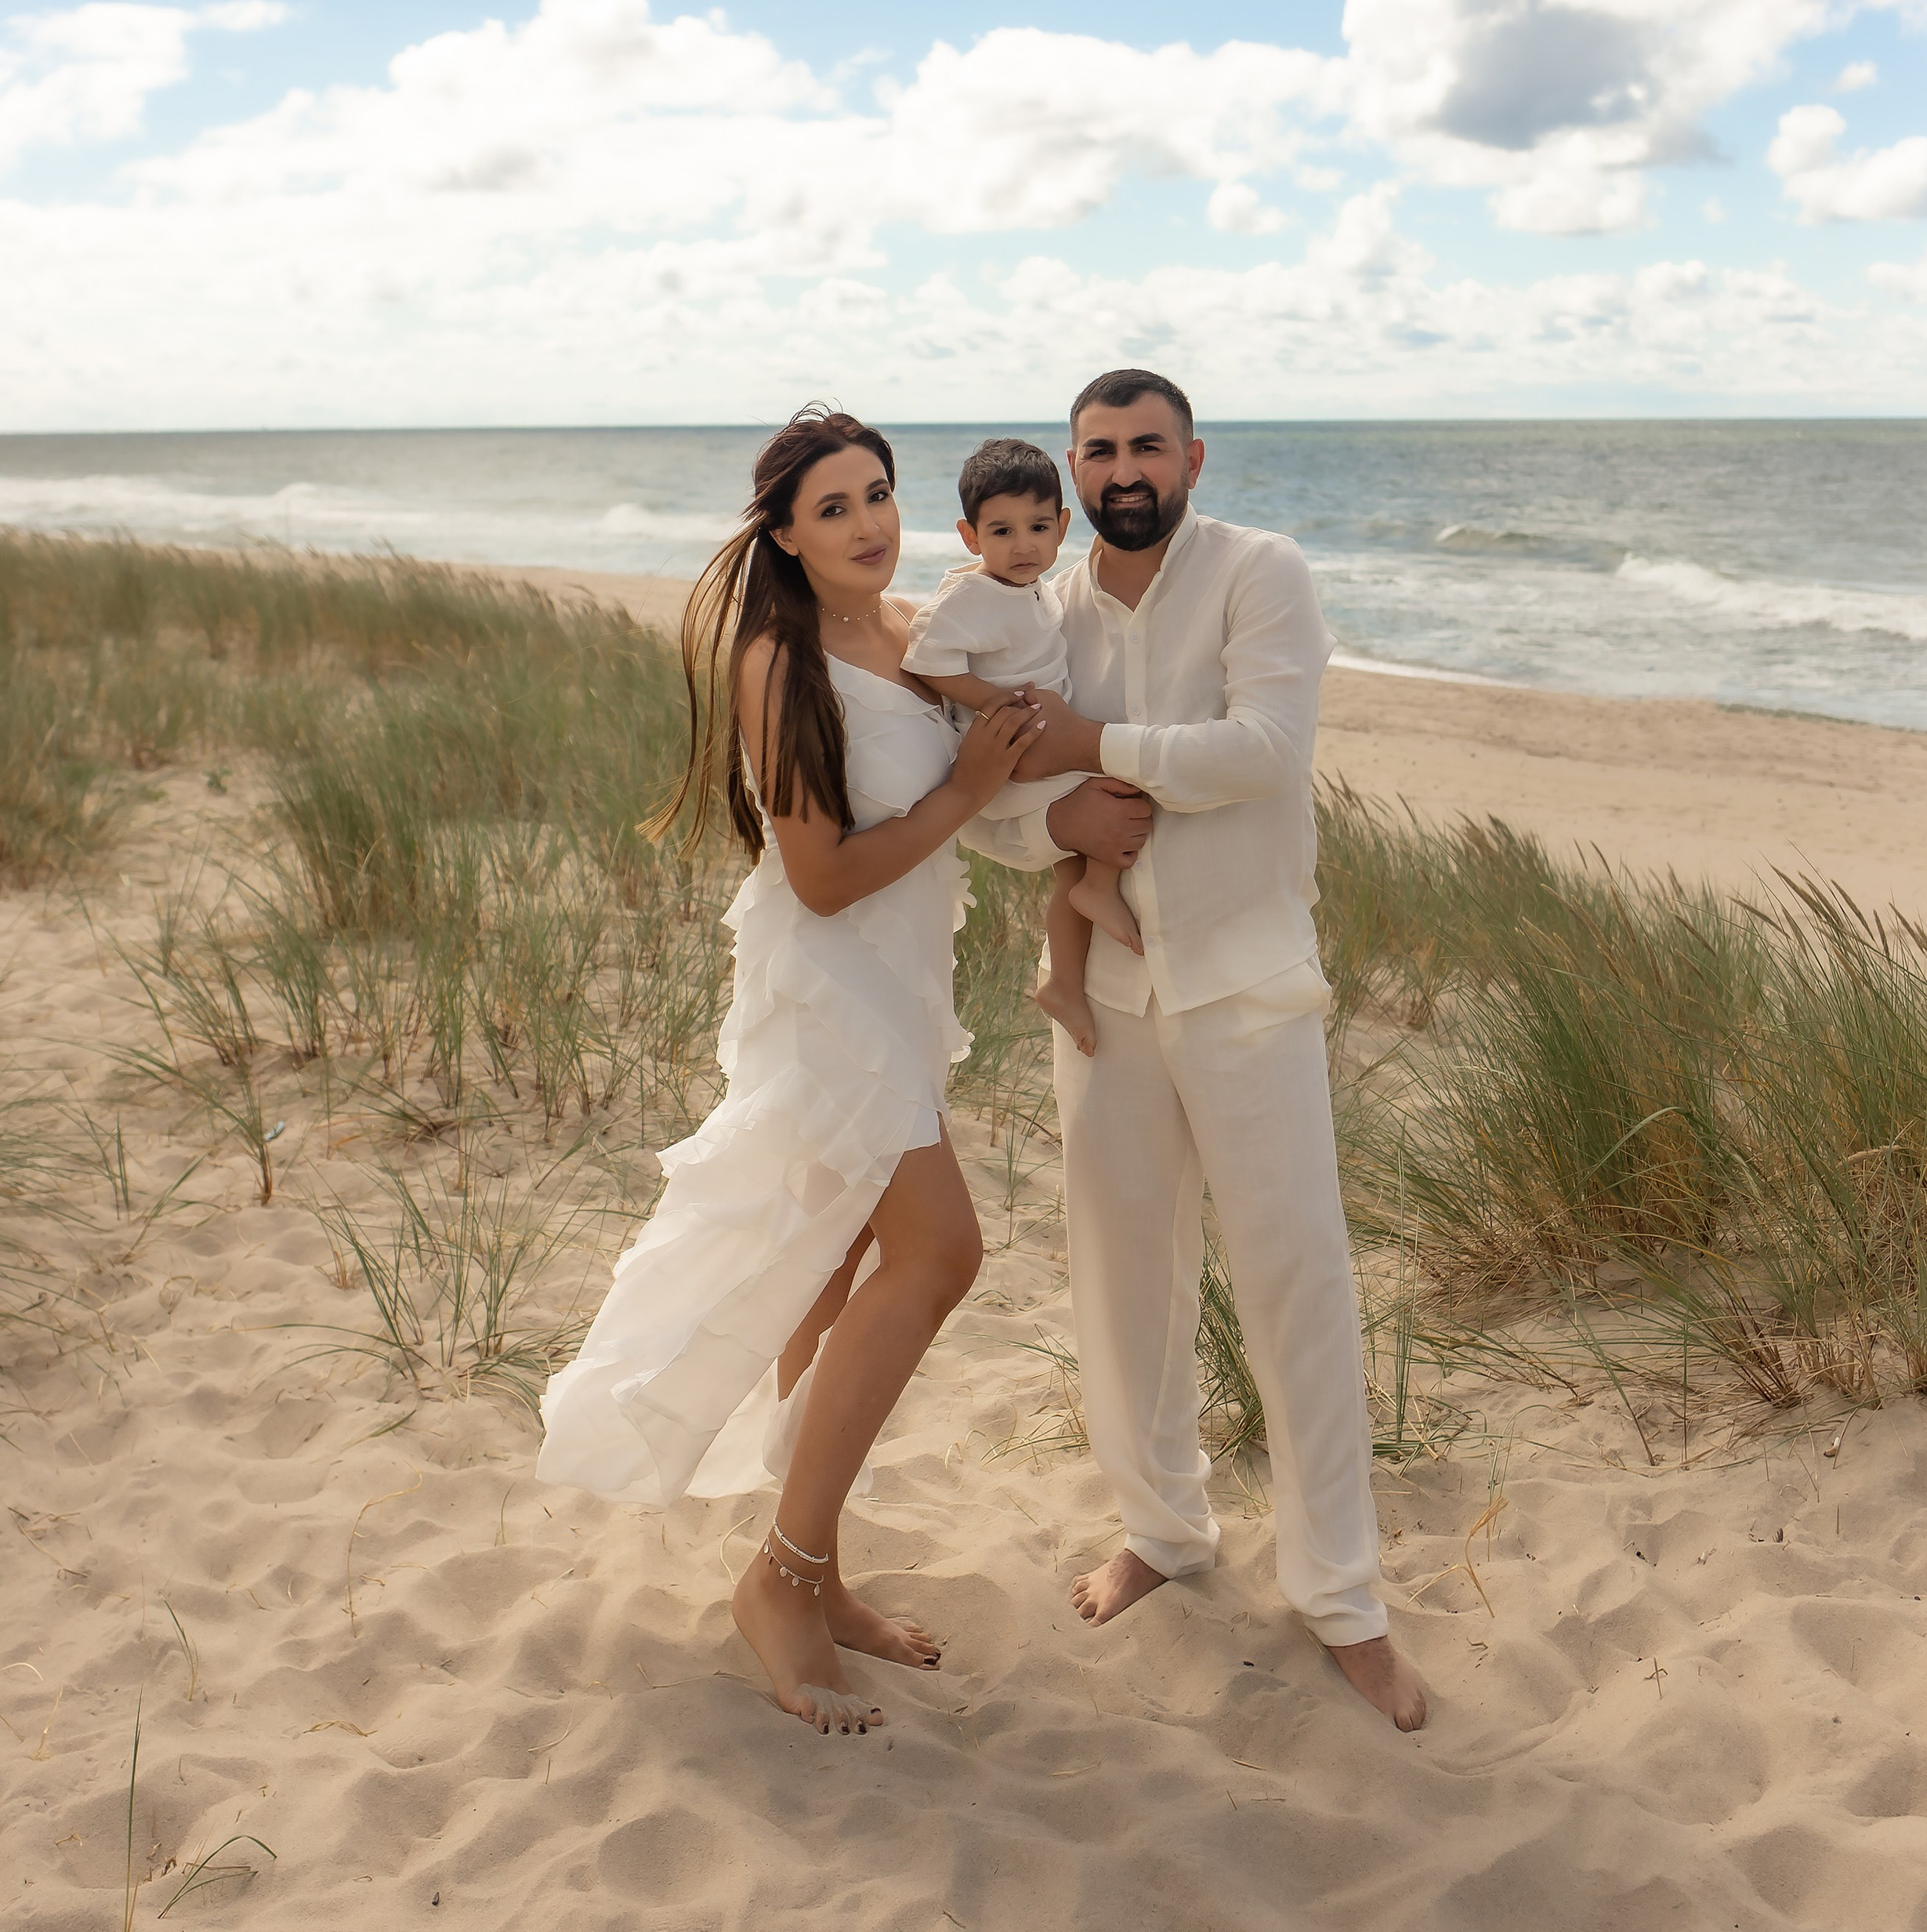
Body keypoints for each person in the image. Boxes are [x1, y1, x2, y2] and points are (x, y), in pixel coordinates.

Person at [536, 405, 1045, 1736]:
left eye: (878, 494)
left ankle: (816, 1574)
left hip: (904, 981)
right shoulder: (780, 660)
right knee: (941, 1253)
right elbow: (818, 879)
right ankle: (784, 1575)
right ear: (782, 533)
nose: (868, 523)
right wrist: (956, 796)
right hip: (828, 993)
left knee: (823, 1270)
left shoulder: (917, 630)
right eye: (833, 509)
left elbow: (1006, 742)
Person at [970, 368, 1429, 1732]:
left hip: (1246, 988)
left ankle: (1343, 1600)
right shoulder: (1037, 607)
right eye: (1098, 450)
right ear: (1071, 466)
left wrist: (1094, 746)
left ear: (1193, 458)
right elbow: (995, 801)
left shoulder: (1259, 573)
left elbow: (1265, 749)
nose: (1122, 470)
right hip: (1109, 993)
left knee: (1296, 1282)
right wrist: (1062, 825)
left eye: (1146, 447)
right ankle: (1166, 1533)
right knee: (1124, 1274)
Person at [900, 433, 1143, 1059]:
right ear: (970, 536)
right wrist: (990, 703)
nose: (1023, 544)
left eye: (1038, 526)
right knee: (1122, 784)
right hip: (1016, 747)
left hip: (1037, 735)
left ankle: (1064, 980)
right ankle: (1097, 896)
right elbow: (925, 658)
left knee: (1082, 849)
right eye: (1001, 531)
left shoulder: (1034, 585)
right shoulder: (973, 594)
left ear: (1062, 526)